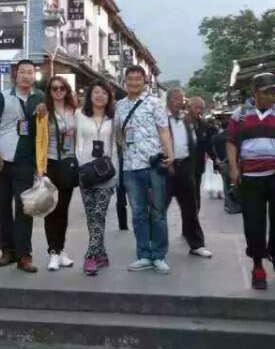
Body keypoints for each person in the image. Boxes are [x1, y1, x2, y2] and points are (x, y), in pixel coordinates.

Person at [226, 73, 275, 290]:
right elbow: (231, 142)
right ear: (255, 93)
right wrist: (233, 168)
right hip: (250, 178)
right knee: (254, 223)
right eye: (268, 92)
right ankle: (258, 265)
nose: (273, 96)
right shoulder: (240, 115)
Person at [0, 59, 45, 273]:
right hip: (1, 161)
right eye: (23, 72)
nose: (26, 76)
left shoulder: (40, 98)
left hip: (25, 162)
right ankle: (7, 251)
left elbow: (46, 127)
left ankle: (24, 256)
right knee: (2, 208)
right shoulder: (3, 97)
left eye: (30, 72)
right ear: (16, 75)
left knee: (24, 209)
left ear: (34, 76)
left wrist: (44, 113)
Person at [115, 65, 175, 274]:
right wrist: (123, 148)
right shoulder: (119, 106)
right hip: (130, 167)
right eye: (130, 79)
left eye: (138, 79)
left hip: (153, 165)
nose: (134, 82)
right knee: (138, 213)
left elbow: (164, 130)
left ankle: (158, 255)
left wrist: (170, 154)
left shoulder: (155, 102)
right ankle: (143, 255)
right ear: (125, 81)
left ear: (144, 81)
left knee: (157, 212)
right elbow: (118, 133)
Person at [75, 80, 119, 276]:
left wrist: (116, 174)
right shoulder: (79, 115)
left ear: (109, 97)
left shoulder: (114, 118)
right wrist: (79, 165)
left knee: (99, 214)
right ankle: (101, 255)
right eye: (96, 92)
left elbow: (116, 146)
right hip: (86, 171)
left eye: (104, 93)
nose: (100, 96)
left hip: (106, 172)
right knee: (91, 216)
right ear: (90, 96)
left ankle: (90, 256)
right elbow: (76, 142)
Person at [165, 88, 212, 257]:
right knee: (158, 209)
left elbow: (193, 144)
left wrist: (191, 167)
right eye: (176, 98)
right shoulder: (161, 119)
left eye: (182, 99)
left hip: (185, 167)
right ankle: (155, 248)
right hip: (165, 167)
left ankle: (197, 244)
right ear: (169, 100)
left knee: (191, 207)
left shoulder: (186, 120)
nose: (180, 102)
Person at [43, 75, 77, 272]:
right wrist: (38, 168)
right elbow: (38, 140)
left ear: (67, 90)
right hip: (50, 163)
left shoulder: (74, 111)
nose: (58, 91)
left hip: (68, 163)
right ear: (49, 91)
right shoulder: (44, 111)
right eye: (54, 88)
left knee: (63, 209)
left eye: (62, 88)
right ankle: (53, 252)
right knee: (51, 209)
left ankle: (61, 249)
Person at [188, 96, 213, 213]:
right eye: (197, 107)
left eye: (202, 108)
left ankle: (195, 215)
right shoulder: (181, 124)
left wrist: (217, 161)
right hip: (184, 166)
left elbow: (209, 145)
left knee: (195, 192)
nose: (199, 111)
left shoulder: (204, 125)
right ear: (189, 107)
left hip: (198, 166)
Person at [212, 114, 242, 214]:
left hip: (222, 164)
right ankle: (235, 205)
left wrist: (217, 162)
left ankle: (228, 205)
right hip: (233, 162)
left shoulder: (216, 137)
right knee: (235, 185)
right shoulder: (233, 137)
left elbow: (213, 151)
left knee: (226, 185)